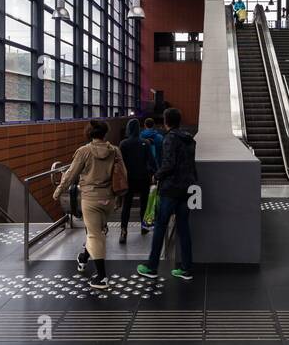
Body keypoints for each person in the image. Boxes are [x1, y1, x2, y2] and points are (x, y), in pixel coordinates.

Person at [53, 119, 125, 290]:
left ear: (90, 133)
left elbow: (71, 174)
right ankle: (84, 258)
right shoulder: (115, 150)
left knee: (94, 236)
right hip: (108, 199)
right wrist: (120, 197)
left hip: (91, 199)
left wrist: (58, 191)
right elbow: (123, 175)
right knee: (97, 233)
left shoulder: (84, 151)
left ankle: (102, 277)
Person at [137, 107, 197, 282]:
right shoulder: (189, 139)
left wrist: (157, 175)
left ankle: (151, 266)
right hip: (187, 188)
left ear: (166, 122)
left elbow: (169, 164)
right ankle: (186, 269)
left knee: (160, 227)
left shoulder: (170, 139)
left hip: (170, 190)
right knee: (184, 229)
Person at [118, 117, 155, 243]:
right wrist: (154, 173)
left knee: (126, 205)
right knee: (144, 204)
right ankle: (144, 227)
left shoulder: (123, 144)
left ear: (128, 129)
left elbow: (119, 163)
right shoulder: (145, 143)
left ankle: (123, 231)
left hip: (129, 179)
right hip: (144, 178)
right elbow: (151, 161)